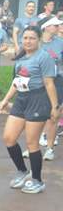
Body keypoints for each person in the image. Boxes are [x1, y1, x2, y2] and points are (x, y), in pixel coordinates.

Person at [0, 25, 58, 193]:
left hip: (38, 99)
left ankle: (37, 180)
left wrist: (54, 107)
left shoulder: (44, 57)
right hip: (21, 99)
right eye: (25, 38)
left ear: (39, 40)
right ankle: (22, 171)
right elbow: (17, 81)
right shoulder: (22, 56)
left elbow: (49, 84)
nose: (28, 41)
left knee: (32, 142)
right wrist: (5, 100)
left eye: (32, 38)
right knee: (9, 138)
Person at [38, 17, 63, 160]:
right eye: (55, 25)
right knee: (36, 115)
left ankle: (49, 148)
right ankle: (33, 146)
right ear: (46, 27)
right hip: (38, 82)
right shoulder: (36, 42)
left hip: (57, 80)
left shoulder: (60, 43)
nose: (59, 27)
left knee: (54, 114)